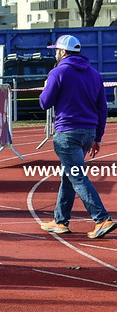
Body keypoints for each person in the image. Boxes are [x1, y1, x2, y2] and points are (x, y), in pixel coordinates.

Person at [38, 34, 116, 238]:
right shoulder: (94, 74)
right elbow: (102, 109)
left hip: (67, 133)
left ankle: (101, 218)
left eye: (56, 50)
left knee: (77, 177)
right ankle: (60, 221)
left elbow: (45, 103)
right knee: (68, 176)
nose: (55, 53)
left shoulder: (58, 72)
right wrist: (98, 137)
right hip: (88, 133)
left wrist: (47, 86)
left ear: (63, 52)